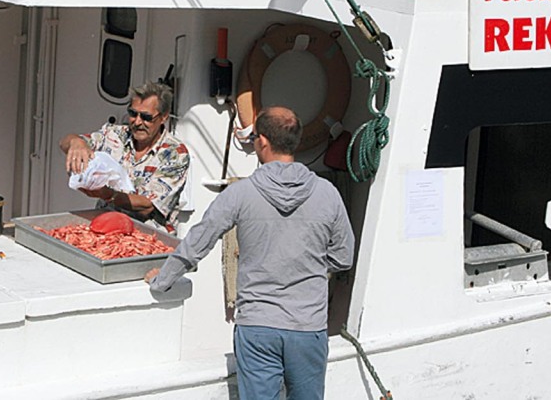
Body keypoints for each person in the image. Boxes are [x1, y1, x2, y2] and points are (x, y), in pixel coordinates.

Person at [146, 106, 354, 400]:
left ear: (264, 142)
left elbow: (197, 242)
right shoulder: (327, 193)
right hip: (308, 328)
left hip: (257, 326)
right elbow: (343, 257)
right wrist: (306, 264)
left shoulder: (240, 193)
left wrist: (161, 280)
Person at [60, 81, 189, 231]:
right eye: (133, 113)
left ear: (164, 117)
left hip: (145, 236)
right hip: (104, 227)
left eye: (146, 117)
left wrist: (108, 195)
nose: (138, 122)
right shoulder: (115, 134)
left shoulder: (175, 153)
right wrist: (76, 143)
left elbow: (147, 205)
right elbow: (64, 142)